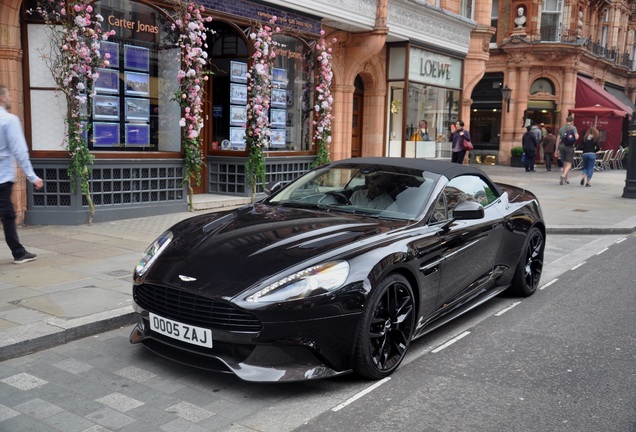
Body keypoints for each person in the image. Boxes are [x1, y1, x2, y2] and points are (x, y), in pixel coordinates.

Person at [0, 84, 44, 264]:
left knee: (7, 214)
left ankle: (19, 252)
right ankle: (18, 253)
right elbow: (20, 152)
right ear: (2, 97)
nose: (10, 98)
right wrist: (33, 177)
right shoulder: (8, 120)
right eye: (8, 94)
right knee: (8, 215)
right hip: (2, 178)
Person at [556, 116, 579, 185]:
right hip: (569, 147)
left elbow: (558, 140)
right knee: (569, 164)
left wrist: (556, 150)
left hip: (562, 147)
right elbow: (576, 137)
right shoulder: (573, 128)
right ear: (572, 121)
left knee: (565, 163)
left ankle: (566, 179)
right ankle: (563, 175)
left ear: (566, 121)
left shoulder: (561, 129)